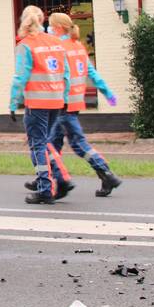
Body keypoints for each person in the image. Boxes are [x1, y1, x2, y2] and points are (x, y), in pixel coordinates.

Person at [42, 12, 123, 197]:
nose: (49, 29)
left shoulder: (58, 46)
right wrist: (108, 94)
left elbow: (60, 76)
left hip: (62, 104)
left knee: (76, 143)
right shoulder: (77, 46)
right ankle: (50, 179)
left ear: (59, 28)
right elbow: (92, 73)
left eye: (51, 26)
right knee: (53, 143)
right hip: (76, 102)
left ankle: (106, 174)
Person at [9, 5, 72, 204]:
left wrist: (13, 102)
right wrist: (66, 98)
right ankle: (60, 179)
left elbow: (20, 76)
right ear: (42, 20)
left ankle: (45, 189)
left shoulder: (25, 45)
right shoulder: (56, 43)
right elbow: (66, 74)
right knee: (45, 142)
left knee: (38, 144)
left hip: (36, 102)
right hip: (56, 100)